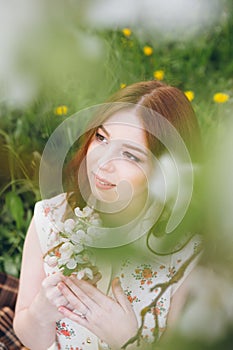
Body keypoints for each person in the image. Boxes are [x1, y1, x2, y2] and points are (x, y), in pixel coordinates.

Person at [13, 80, 202, 350]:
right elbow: (29, 335)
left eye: (130, 155)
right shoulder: (51, 218)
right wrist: (40, 312)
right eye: (101, 138)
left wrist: (127, 340)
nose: (103, 163)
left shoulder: (187, 254)